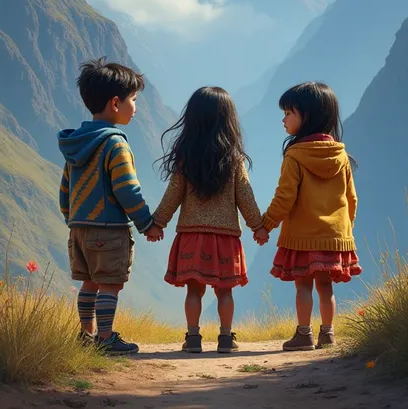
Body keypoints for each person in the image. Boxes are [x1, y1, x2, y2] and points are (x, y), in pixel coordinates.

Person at [148, 87, 268, 354]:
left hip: (192, 235)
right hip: (226, 238)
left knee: (194, 292)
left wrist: (158, 223)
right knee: (225, 292)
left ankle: (193, 338)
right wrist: (258, 226)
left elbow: (172, 196)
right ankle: (226, 338)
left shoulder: (186, 159)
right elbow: (245, 197)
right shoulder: (235, 160)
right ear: (228, 120)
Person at [58, 57, 162, 355]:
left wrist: (73, 219)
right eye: (133, 100)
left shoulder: (77, 144)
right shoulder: (115, 144)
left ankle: (85, 336)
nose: (135, 107)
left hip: (78, 228)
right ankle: (105, 338)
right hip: (108, 229)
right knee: (110, 285)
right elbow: (127, 189)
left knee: (88, 283)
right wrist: (147, 223)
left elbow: (65, 189)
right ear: (115, 103)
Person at [259, 82, 361, 351]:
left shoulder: (295, 156)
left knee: (303, 285)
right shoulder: (341, 156)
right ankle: (328, 334)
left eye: (289, 112)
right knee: (326, 287)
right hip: (334, 237)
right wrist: (345, 229)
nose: (283, 119)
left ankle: (303, 335)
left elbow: (284, 198)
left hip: (302, 238)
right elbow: (351, 199)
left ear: (307, 116)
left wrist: (265, 225)